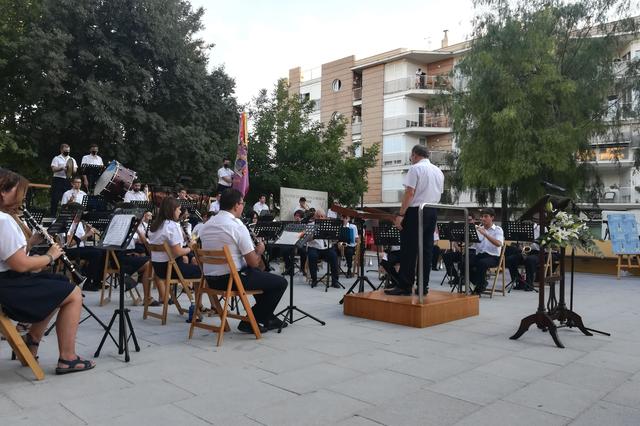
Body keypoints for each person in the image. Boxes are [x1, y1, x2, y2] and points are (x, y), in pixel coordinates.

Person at [0, 168, 95, 374]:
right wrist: (51, 255)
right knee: (73, 293)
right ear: (3, 193)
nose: (23, 197)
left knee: (57, 284)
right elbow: (20, 265)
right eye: (19, 191)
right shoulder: (3, 220)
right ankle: (67, 358)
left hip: (7, 282)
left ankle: (32, 340)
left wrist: (32, 242)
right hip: (8, 288)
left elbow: (8, 255)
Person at [199, 189, 288, 333]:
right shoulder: (237, 225)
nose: (243, 206)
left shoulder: (207, 225)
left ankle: (267, 317)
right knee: (280, 283)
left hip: (210, 279)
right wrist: (259, 250)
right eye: (242, 203)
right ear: (235, 205)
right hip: (231, 280)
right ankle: (250, 321)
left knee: (262, 277)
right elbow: (253, 262)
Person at [385, 144, 444, 296]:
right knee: (426, 250)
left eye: (411, 156)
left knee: (409, 250)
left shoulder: (415, 168)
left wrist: (401, 214)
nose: (411, 159)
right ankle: (423, 286)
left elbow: (410, 193)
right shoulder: (438, 171)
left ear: (415, 155)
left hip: (416, 211)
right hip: (431, 210)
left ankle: (405, 285)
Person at [148, 197, 201, 303]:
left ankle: (197, 306)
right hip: (172, 269)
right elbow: (177, 252)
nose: (180, 212)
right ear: (172, 210)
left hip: (158, 269)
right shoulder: (172, 226)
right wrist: (189, 248)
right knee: (202, 271)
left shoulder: (155, 226)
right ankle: (197, 307)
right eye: (179, 209)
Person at [468, 208, 504, 294]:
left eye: (486, 216)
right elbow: (471, 245)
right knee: (465, 262)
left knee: (481, 263)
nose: (483, 219)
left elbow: (499, 243)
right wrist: (469, 238)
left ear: (492, 217)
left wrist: (485, 234)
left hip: (493, 257)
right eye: (482, 217)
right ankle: (481, 283)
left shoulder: (498, 230)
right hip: (480, 255)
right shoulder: (479, 229)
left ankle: (479, 289)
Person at [306, 208, 341, 289]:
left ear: (325, 217)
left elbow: (334, 239)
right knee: (312, 256)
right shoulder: (310, 225)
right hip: (314, 247)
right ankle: (314, 279)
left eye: (322, 216)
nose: (320, 218)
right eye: (318, 216)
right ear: (315, 217)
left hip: (327, 248)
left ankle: (335, 281)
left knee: (333, 256)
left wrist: (334, 237)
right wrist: (314, 235)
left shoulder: (329, 225)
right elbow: (306, 240)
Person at [50, 144, 77, 216]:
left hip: (68, 180)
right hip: (58, 180)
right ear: (61, 150)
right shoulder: (56, 158)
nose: (67, 152)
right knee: (55, 198)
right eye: (65, 151)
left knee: (67, 198)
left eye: (68, 151)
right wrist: (61, 168)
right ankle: (52, 215)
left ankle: (65, 216)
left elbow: (75, 170)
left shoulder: (72, 159)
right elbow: (54, 169)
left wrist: (70, 169)